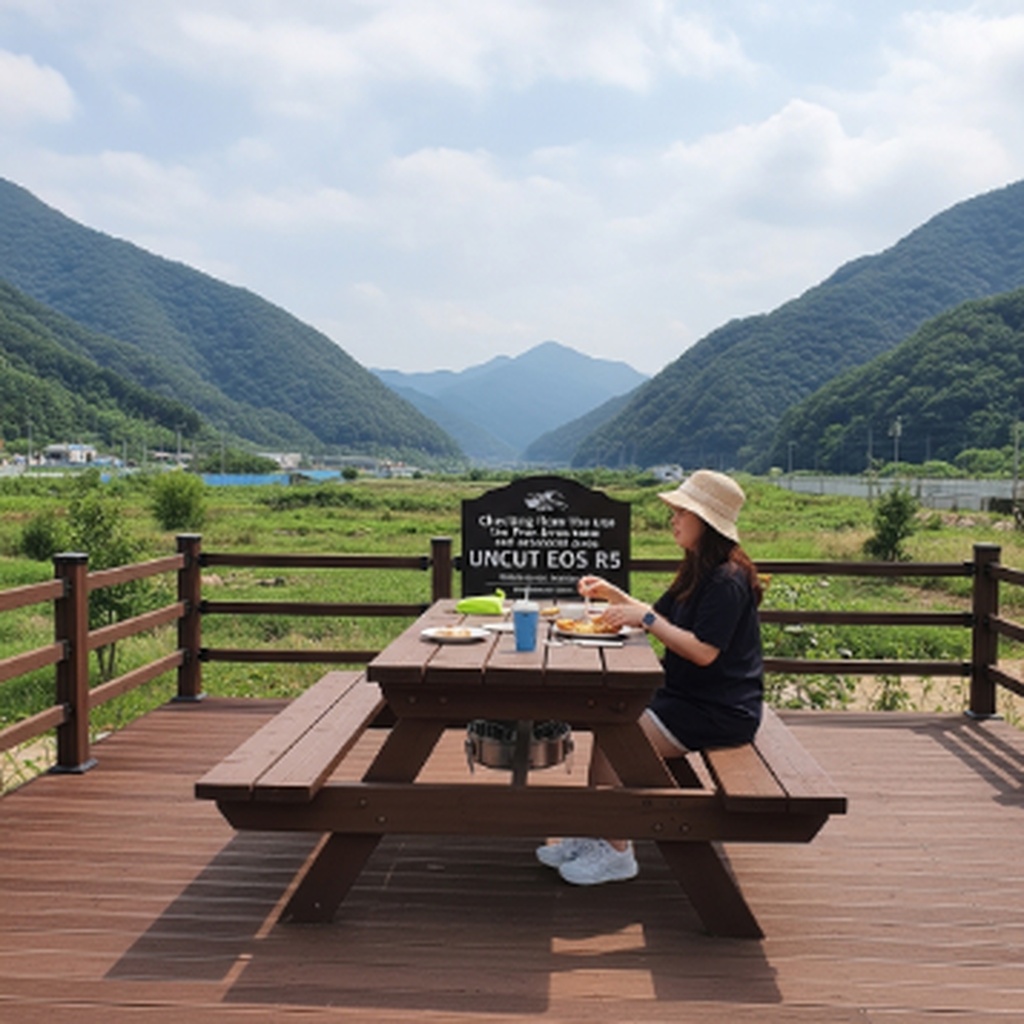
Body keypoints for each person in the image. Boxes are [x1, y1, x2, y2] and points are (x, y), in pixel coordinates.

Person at [536, 469, 765, 886]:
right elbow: (657, 617)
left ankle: (617, 850)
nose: (673, 519)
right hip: (688, 698)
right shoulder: (701, 569)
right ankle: (596, 830)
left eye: (681, 512)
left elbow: (702, 651)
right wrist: (614, 595)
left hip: (719, 710)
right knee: (612, 726)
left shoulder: (727, 581)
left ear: (707, 522)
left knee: (617, 732)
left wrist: (642, 617)